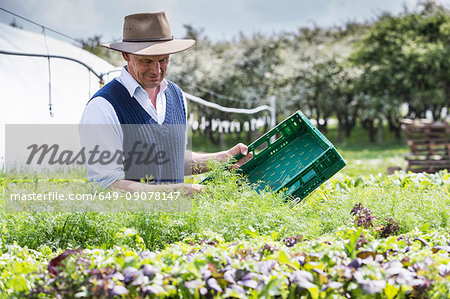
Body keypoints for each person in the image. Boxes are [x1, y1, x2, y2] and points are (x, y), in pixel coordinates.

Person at [79, 12, 252, 194]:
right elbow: (107, 185)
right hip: (128, 222)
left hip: (176, 221)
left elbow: (172, 159)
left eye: (164, 60)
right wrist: (178, 192)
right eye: (146, 61)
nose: (156, 70)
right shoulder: (103, 107)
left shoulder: (175, 95)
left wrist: (223, 158)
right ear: (126, 55)